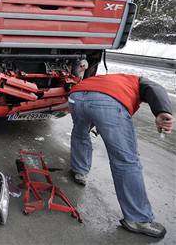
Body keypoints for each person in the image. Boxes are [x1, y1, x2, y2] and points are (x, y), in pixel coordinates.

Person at [68, 74, 174, 239]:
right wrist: (162, 111)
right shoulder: (138, 80)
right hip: (107, 101)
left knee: (80, 135)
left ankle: (79, 171)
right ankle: (138, 218)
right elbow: (156, 89)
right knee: (126, 161)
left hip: (77, 96)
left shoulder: (112, 78)